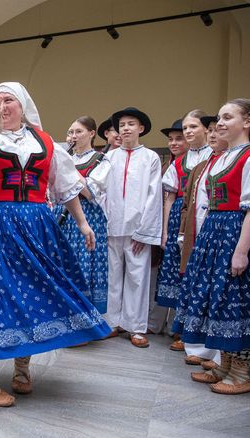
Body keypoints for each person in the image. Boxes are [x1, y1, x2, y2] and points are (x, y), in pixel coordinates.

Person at [0, 82, 110, 407]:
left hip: (36, 229)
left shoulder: (46, 143)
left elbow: (65, 185)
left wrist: (82, 223)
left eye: (8, 99)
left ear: (23, 104)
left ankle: (22, 368)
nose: (3, 105)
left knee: (33, 293)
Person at [173, 99, 250, 394]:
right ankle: (223, 365)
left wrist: (241, 250)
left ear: (248, 122)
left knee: (235, 299)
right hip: (215, 232)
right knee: (217, 297)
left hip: (234, 234)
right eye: (219, 118)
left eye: (227, 117)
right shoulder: (222, 157)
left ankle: (240, 373)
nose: (219, 123)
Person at [89, 107, 163, 348]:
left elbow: (154, 196)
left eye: (131, 124)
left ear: (141, 128)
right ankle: (111, 322)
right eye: (122, 125)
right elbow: (98, 190)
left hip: (136, 229)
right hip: (112, 226)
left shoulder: (150, 157)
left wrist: (145, 230)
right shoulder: (109, 157)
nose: (126, 128)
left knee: (137, 277)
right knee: (112, 275)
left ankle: (136, 326)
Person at [158, 111, 213, 363]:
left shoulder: (214, 156)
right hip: (179, 216)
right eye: (186, 127)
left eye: (193, 127)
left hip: (203, 216)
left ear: (206, 129)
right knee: (178, 274)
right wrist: (167, 229)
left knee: (199, 273)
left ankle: (199, 331)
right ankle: (180, 328)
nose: (189, 131)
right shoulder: (179, 161)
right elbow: (169, 197)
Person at [56, 116, 108, 314]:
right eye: (70, 132)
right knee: (62, 263)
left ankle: (84, 318)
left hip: (87, 215)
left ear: (91, 134)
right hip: (61, 214)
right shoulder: (67, 158)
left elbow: (90, 192)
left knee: (82, 264)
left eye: (78, 132)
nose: (73, 136)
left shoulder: (101, 160)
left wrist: (67, 167)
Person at [147, 119, 188, 344]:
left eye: (178, 138)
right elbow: (167, 199)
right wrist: (163, 230)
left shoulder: (198, 162)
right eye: (170, 139)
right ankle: (159, 323)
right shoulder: (172, 166)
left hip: (188, 217)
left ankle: (180, 326)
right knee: (168, 272)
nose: (173, 143)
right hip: (171, 220)